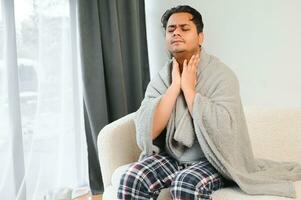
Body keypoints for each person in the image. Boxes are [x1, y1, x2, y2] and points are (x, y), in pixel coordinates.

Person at [117, 5, 301, 200]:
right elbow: (148, 130)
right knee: (132, 178)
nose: (176, 33)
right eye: (171, 30)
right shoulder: (162, 79)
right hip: (172, 157)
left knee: (186, 184)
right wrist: (174, 88)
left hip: (213, 159)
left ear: (200, 37)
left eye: (184, 28)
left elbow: (225, 132)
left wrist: (189, 90)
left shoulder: (222, 76)